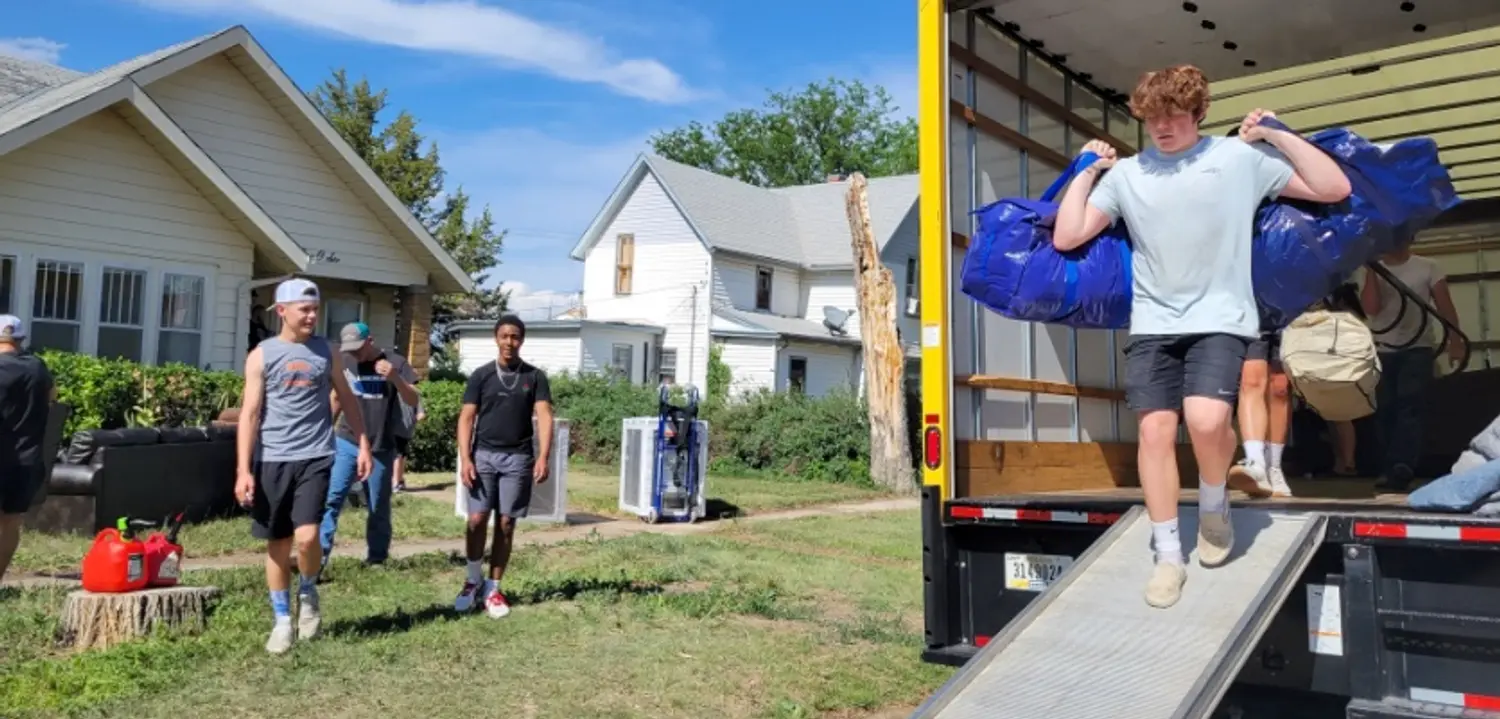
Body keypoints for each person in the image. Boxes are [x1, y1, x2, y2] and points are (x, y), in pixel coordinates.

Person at [1053, 64, 1351, 609]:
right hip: (1152, 323)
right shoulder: (1128, 176)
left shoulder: (1237, 159)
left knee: (1208, 421)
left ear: (1198, 113)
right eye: (1151, 118)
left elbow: (1334, 187)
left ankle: (1214, 502)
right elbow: (1068, 235)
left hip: (1221, 318)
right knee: (1154, 434)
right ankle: (1169, 557)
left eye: (1173, 116)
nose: (1161, 127)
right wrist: (1085, 171)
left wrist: (1277, 133)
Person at [236, 279, 372, 654]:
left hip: (315, 455)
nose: (312, 316)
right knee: (278, 544)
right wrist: (243, 470)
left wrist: (363, 443)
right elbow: (249, 414)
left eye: (315, 309)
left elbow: (348, 399)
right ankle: (282, 621)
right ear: (282, 311)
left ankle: (308, 591)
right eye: (305, 310)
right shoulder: (261, 355)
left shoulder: (328, 352)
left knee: (308, 536)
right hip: (271, 459)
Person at [454, 314, 554, 618]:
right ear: (496, 338)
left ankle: (493, 589)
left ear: (522, 340)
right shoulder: (481, 375)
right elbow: (466, 418)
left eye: (515, 337)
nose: (509, 342)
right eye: (504, 336)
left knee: (506, 523)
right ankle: (473, 581)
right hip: (483, 456)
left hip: (518, 458)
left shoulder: (534, 377)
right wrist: (465, 458)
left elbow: (545, 416)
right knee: (476, 518)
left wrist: (543, 456)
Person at [318, 322, 419, 573]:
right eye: (350, 349)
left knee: (377, 504)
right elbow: (336, 398)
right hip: (347, 440)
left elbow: (413, 399)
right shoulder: (345, 362)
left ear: (370, 341)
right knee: (332, 498)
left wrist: (395, 377)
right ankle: (317, 559)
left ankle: (377, 558)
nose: (355, 353)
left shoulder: (396, 362)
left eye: (358, 348)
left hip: (380, 445)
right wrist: (324, 433)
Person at [1360, 249, 1463, 491]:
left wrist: (1455, 341)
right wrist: (1371, 270)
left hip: (1418, 347)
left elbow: (1444, 306)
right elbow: (1371, 308)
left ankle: (1401, 466)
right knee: (1385, 408)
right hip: (1382, 348)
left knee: (1410, 405)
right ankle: (1389, 465)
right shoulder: (1375, 269)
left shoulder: (1428, 266)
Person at [0, 316, 55, 585]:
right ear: (20, 339)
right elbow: (52, 398)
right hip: (27, 460)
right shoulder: (38, 367)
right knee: (10, 523)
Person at [1227, 327, 1294, 499]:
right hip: (1250, 317)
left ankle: (1274, 467)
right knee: (1251, 381)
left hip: (1283, 318)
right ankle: (1256, 463)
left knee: (1280, 388)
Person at [391, 398, 424, 494]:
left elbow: (421, 414)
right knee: (400, 455)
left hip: (398, 429)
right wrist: (412, 421)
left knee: (399, 455)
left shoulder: (394, 392)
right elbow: (421, 415)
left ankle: (397, 482)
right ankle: (398, 480)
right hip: (404, 430)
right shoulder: (413, 394)